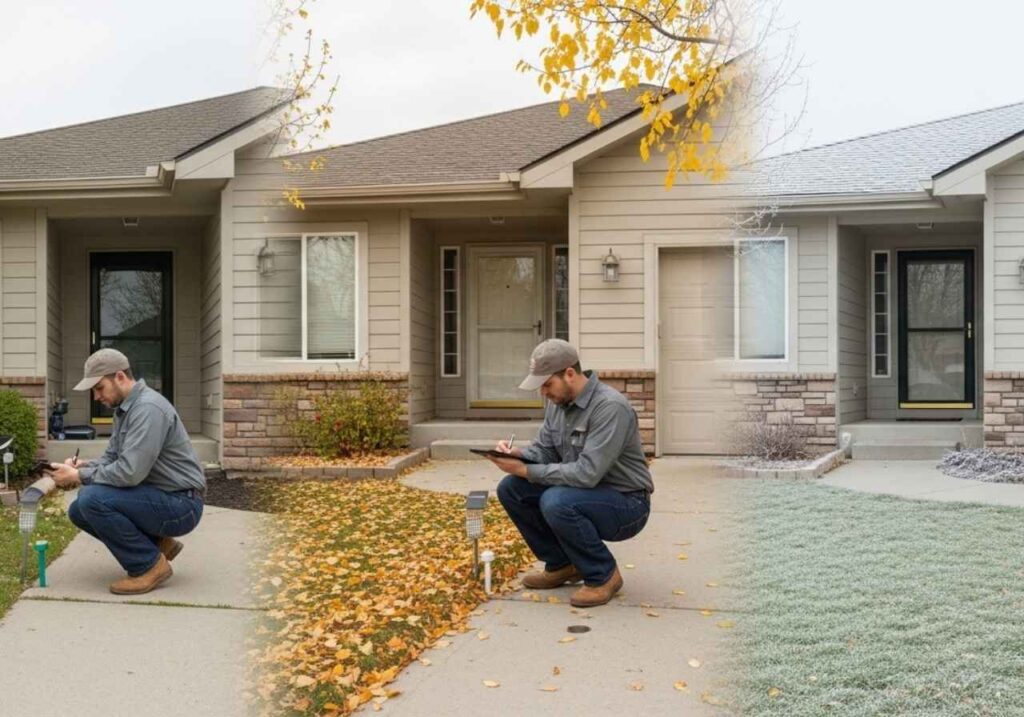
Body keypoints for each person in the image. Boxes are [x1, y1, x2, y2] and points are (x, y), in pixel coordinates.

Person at [487, 339, 653, 608]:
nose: (543, 392)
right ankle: (563, 564)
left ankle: (603, 575)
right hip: (584, 492)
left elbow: (587, 473)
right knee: (512, 488)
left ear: (570, 374)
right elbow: (546, 450)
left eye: (547, 384)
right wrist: (518, 455)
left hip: (627, 502)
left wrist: (528, 469)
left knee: (556, 500)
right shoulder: (558, 404)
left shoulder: (610, 407)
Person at [47, 348, 206, 595]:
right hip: (160, 495)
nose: (96, 397)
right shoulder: (125, 409)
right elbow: (112, 458)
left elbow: (129, 473)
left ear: (120, 377)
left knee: (91, 498)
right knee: (79, 510)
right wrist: (83, 466)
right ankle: (158, 545)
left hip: (182, 504)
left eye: (99, 388)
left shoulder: (148, 409)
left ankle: (149, 566)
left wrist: (77, 477)